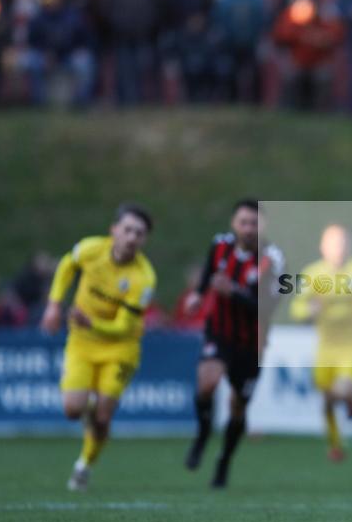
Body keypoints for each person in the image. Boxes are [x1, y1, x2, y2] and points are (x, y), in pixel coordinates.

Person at [39, 204, 157, 491]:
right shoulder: (91, 249)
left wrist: (91, 323)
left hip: (120, 348)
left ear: (144, 240)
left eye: (139, 234)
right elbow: (67, 265)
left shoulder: (144, 278)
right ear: (113, 230)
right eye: (127, 230)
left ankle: (83, 466)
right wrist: (54, 305)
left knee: (103, 419)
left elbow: (123, 327)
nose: (132, 237)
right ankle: (90, 406)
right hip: (82, 343)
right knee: (72, 410)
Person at [183, 199, 284, 488]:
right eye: (243, 222)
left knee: (237, 407)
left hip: (252, 343)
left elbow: (267, 307)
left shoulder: (273, 259)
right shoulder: (220, 245)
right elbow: (208, 273)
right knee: (206, 384)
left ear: (262, 226)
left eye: (254, 223)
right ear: (233, 224)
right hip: (220, 332)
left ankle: (224, 460)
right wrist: (198, 295)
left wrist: (235, 292)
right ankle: (202, 436)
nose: (249, 229)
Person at [290, 224, 352, 462]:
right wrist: (307, 310)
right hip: (325, 347)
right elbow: (296, 308)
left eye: (342, 243)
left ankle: (349, 395)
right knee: (326, 401)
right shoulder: (313, 274)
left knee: (341, 388)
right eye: (333, 244)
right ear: (322, 247)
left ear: (350, 246)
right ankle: (335, 444)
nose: (338, 249)